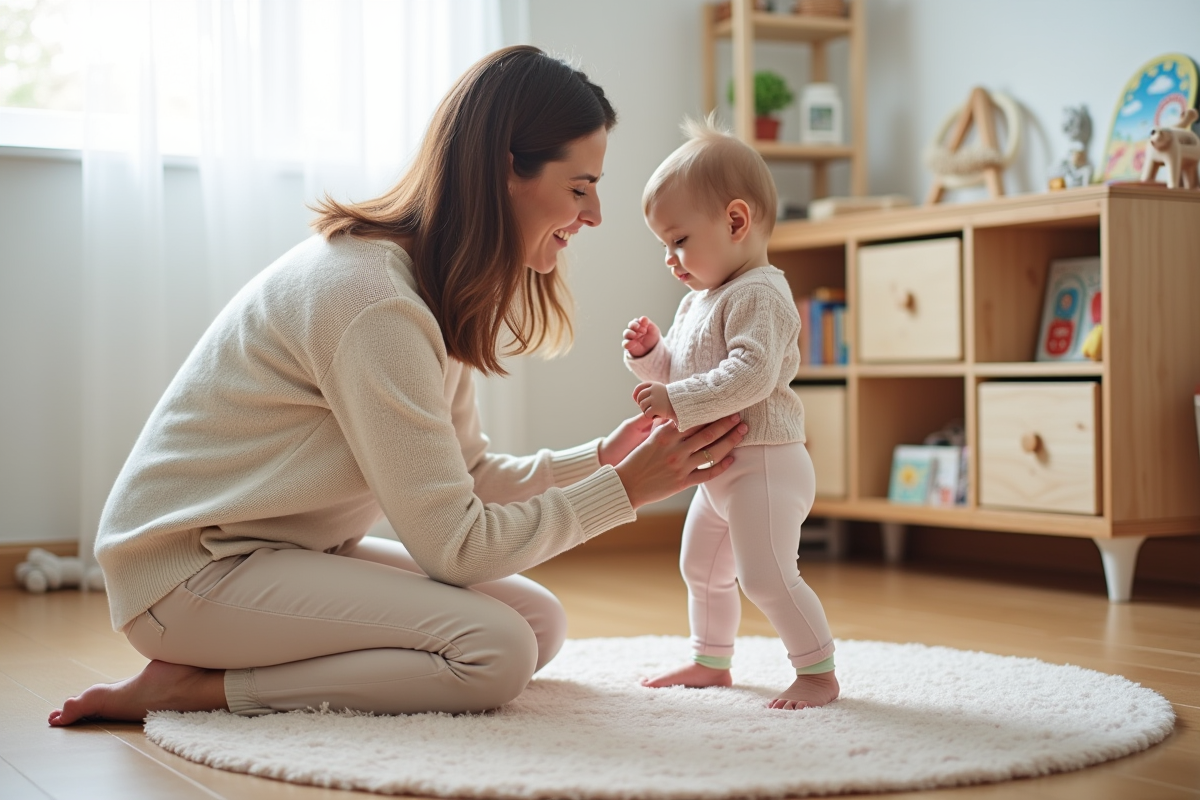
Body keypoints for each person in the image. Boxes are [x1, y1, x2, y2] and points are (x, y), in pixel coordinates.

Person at [49, 46, 748, 727]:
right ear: (507, 170)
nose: (594, 215)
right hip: (189, 573)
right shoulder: (377, 301)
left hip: (281, 548)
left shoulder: (433, 285)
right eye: (579, 188)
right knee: (495, 652)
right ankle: (195, 689)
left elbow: (465, 476)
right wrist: (625, 491)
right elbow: (458, 546)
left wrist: (600, 459)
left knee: (537, 621)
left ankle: (216, 671)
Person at [622, 116, 838, 710]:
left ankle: (817, 670)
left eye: (680, 240)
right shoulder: (699, 300)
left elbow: (750, 375)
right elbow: (689, 374)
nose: (671, 258)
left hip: (763, 462)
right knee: (701, 567)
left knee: (765, 575)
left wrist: (677, 400)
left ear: (736, 221)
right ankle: (710, 661)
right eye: (664, 245)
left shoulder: (760, 293)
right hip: (718, 467)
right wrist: (652, 360)